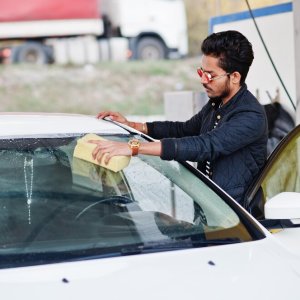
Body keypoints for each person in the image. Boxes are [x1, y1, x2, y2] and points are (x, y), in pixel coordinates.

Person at [90, 30, 268, 205]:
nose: (203, 80)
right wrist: (134, 125)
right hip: (212, 209)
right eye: (201, 72)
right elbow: (184, 129)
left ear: (235, 77)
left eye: (210, 75)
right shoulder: (218, 103)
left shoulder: (250, 116)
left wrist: (134, 147)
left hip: (239, 221)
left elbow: (206, 146)